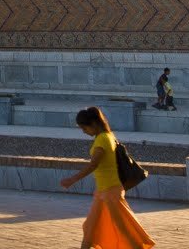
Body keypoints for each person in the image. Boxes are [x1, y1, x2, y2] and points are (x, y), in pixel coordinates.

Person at [59, 106, 154, 249]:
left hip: (111, 191)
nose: (83, 131)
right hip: (103, 191)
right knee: (90, 226)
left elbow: (94, 164)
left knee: (122, 227)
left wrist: (73, 179)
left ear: (93, 124)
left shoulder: (103, 139)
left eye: (84, 128)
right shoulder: (106, 136)